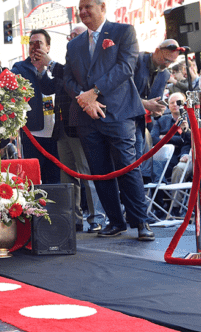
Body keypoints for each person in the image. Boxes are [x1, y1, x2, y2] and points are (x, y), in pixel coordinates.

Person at [64, 0, 154, 241]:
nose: (83, 12)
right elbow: (68, 79)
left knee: (127, 167)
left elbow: (126, 67)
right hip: (87, 118)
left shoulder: (123, 31)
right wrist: (85, 100)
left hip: (118, 113)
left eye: (87, 7)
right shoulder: (74, 44)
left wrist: (95, 91)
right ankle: (116, 221)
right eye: (80, 8)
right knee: (99, 170)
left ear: (102, 7)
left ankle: (141, 221)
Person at [40, 24, 106, 233]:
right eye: (70, 36)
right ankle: (73, 218)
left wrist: (48, 63)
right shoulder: (68, 63)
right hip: (62, 129)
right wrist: (41, 68)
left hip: (81, 128)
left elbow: (73, 82)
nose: (71, 39)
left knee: (87, 174)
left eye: (75, 36)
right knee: (68, 176)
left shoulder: (85, 62)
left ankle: (97, 218)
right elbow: (48, 88)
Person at [9, 29, 60, 184]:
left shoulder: (56, 68)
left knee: (55, 179)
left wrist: (44, 69)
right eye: (31, 43)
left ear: (48, 47)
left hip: (56, 134)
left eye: (39, 43)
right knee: (33, 180)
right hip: (33, 134)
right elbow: (7, 82)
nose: (34, 47)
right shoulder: (19, 68)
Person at [133, 40, 182, 168]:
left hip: (140, 122)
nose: (167, 64)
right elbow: (123, 92)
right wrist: (145, 103)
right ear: (156, 51)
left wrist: (158, 108)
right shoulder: (137, 59)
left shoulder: (164, 74)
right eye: (166, 60)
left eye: (171, 62)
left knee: (138, 163)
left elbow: (155, 100)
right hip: (122, 119)